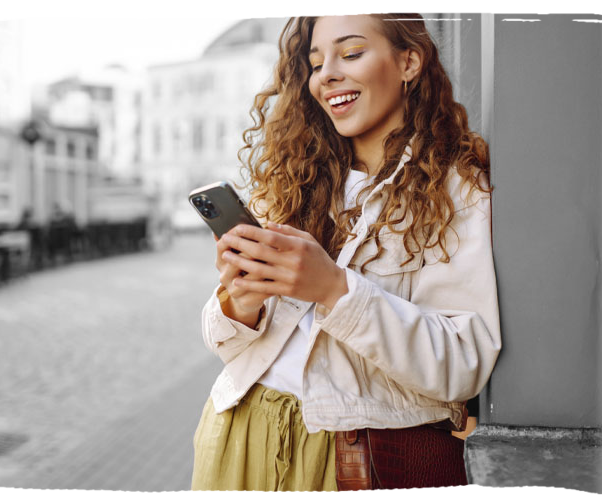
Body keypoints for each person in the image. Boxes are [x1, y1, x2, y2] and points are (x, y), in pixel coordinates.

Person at [191, 14, 501, 492]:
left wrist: (334, 290)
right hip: (238, 433)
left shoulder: (456, 188)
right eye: (315, 63)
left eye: (351, 54)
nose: (327, 74)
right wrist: (241, 301)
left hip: (352, 454)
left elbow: (462, 364)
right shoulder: (295, 182)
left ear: (409, 61)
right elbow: (223, 344)